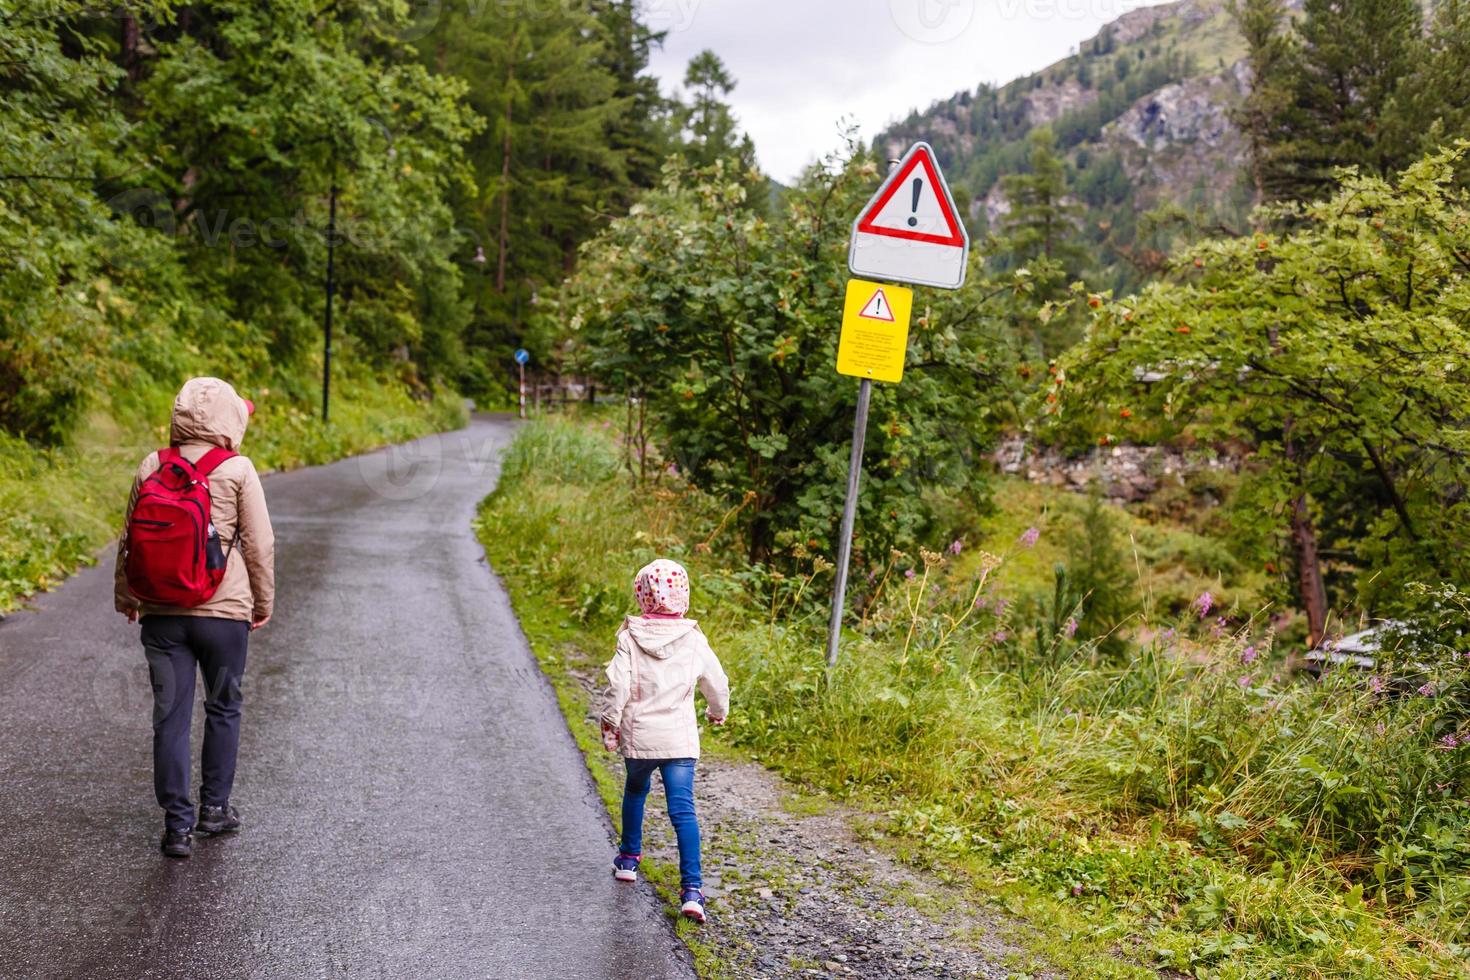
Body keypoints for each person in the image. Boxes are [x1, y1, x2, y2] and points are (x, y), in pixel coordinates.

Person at [114, 377, 274, 859]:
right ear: (232, 419)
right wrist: (261, 603)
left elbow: (128, 537)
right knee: (223, 707)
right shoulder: (238, 469)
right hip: (223, 617)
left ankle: (176, 827)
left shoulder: (153, 464)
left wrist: (128, 597)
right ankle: (215, 810)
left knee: (170, 717)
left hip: (162, 614)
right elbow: (259, 545)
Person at [598, 558, 730, 923]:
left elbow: (618, 686)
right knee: (682, 811)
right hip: (679, 742)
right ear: (683, 595)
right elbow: (716, 681)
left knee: (636, 791)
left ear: (642, 595)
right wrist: (717, 711)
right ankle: (692, 891)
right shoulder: (694, 639)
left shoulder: (629, 637)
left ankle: (628, 858)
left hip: (641, 737)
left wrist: (611, 724)